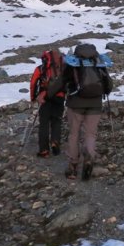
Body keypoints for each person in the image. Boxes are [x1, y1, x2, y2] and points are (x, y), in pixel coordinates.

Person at [49, 43, 113, 181]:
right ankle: (89, 156)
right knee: (90, 134)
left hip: (75, 104)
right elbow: (108, 84)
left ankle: (73, 166)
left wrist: (49, 94)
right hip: (95, 105)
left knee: (74, 134)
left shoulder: (73, 63)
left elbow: (61, 81)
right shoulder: (98, 62)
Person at [29, 49, 65, 158]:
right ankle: (55, 142)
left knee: (44, 123)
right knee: (56, 120)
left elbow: (33, 83)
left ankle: (44, 150)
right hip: (59, 97)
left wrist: (33, 97)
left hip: (44, 98)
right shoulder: (62, 68)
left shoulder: (40, 69)